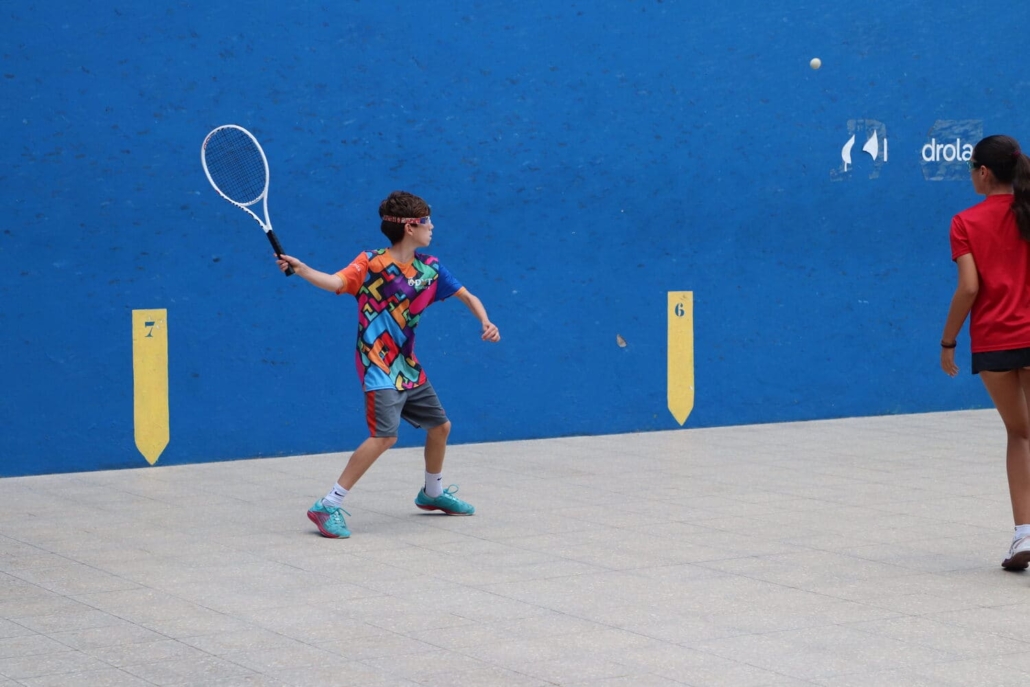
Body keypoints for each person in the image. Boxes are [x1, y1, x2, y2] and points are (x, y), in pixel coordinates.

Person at [276, 190, 501, 538]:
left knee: (440, 427)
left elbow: (467, 296)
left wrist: (485, 321)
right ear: (410, 227)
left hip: (407, 366)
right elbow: (336, 282)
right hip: (377, 363)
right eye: (426, 221)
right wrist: (303, 269)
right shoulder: (370, 263)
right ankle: (327, 505)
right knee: (384, 436)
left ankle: (432, 493)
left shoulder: (430, 268)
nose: (432, 226)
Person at [941, 134, 1030, 570]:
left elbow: (969, 287)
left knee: (1020, 434)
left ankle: (1024, 535)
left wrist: (948, 341)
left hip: (994, 343)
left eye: (970, 168)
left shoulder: (965, 222)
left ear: (983, 172)